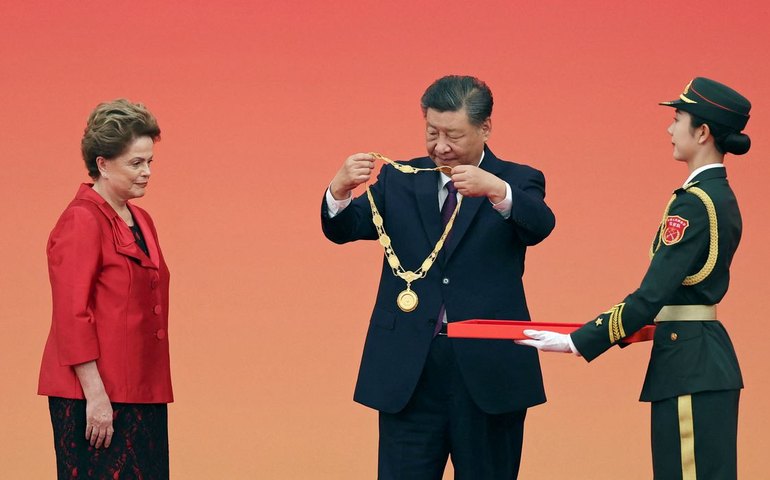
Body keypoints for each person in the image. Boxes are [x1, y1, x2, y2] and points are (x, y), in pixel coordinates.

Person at [321, 75, 555, 479]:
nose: (441, 146)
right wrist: (339, 190)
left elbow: (539, 225)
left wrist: (498, 191)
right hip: (410, 373)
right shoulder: (400, 179)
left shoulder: (518, 179)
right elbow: (343, 229)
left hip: (488, 373)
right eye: (432, 132)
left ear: (485, 128)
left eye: (454, 135)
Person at [518, 77, 750, 479]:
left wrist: (579, 340)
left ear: (703, 132)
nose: (669, 129)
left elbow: (651, 296)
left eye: (677, 118)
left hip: (688, 367)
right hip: (697, 360)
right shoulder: (716, 195)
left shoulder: (695, 203)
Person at [38, 99, 173, 479]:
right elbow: (72, 314)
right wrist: (96, 397)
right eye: (136, 163)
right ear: (102, 163)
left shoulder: (141, 218)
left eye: (149, 162)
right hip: (95, 395)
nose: (147, 172)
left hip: (140, 391)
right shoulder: (81, 219)